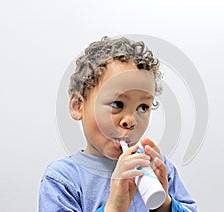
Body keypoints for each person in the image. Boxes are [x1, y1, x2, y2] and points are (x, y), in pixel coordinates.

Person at [39, 36, 198, 212]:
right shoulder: (62, 178)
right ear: (78, 106)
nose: (130, 121)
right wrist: (114, 207)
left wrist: (165, 205)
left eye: (143, 107)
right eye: (117, 104)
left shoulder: (158, 168)